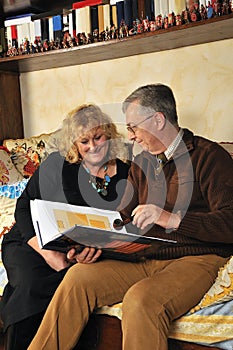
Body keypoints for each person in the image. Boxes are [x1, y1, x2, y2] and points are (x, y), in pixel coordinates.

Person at [28, 84, 233, 350]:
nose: (131, 137)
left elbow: (230, 222)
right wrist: (93, 244)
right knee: (78, 278)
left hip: (196, 258)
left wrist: (170, 218)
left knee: (140, 299)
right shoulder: (143, 162)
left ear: (158, 120)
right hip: (145, 254)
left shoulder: (210, 157)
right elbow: (123, 218)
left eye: (134, 127)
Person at [0, 103, 130, 350]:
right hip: (31, 242)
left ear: (109, 135)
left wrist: (91, 252)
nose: (93, 146)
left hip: (79, 251)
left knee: (72, 289)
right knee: (30, 284)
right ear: (75, 144)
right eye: (84, 141)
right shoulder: (56, 164)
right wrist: (49, 253)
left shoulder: (125, 172)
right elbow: (24, 208)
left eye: (98, 137)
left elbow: (119, 225)